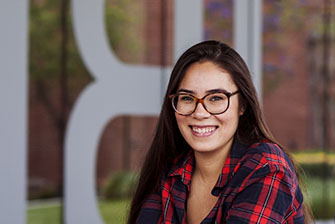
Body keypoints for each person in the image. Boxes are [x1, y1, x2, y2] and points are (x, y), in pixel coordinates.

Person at [128, 40, 313, 224]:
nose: (199, 113)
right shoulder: (172, 170)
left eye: (216, 98)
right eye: (187, 98)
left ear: (243, 105)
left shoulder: (267, 167)